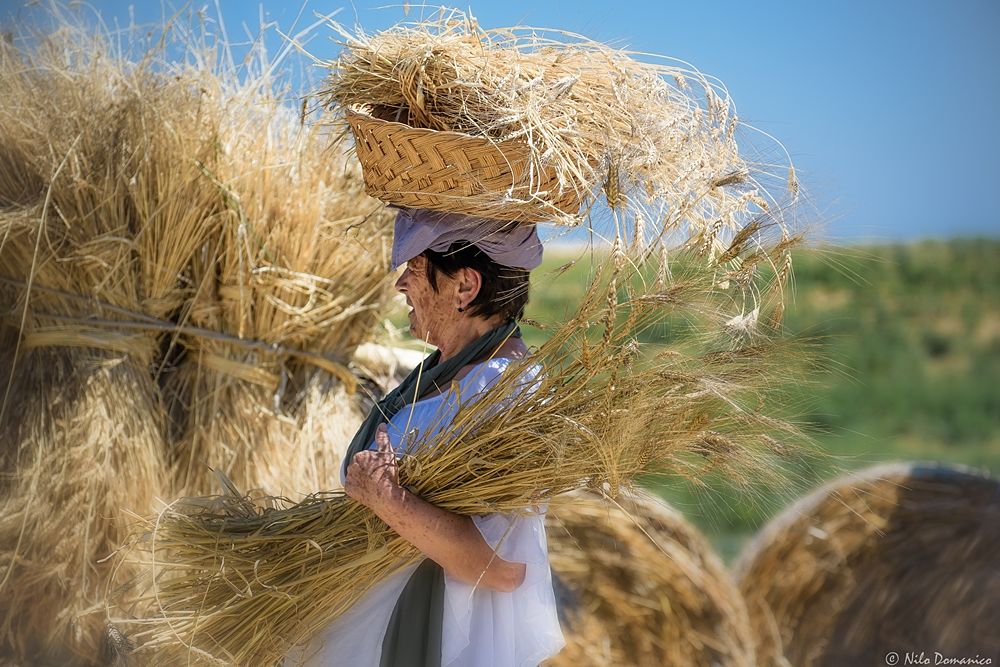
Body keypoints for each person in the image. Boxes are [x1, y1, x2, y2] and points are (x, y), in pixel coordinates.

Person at [288, 208, 564, 667]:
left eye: (415, 269)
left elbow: (502, 569)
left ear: (465, 287)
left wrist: (389, 500)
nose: (400, 285)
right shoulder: (445, 370)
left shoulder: (508, 392)